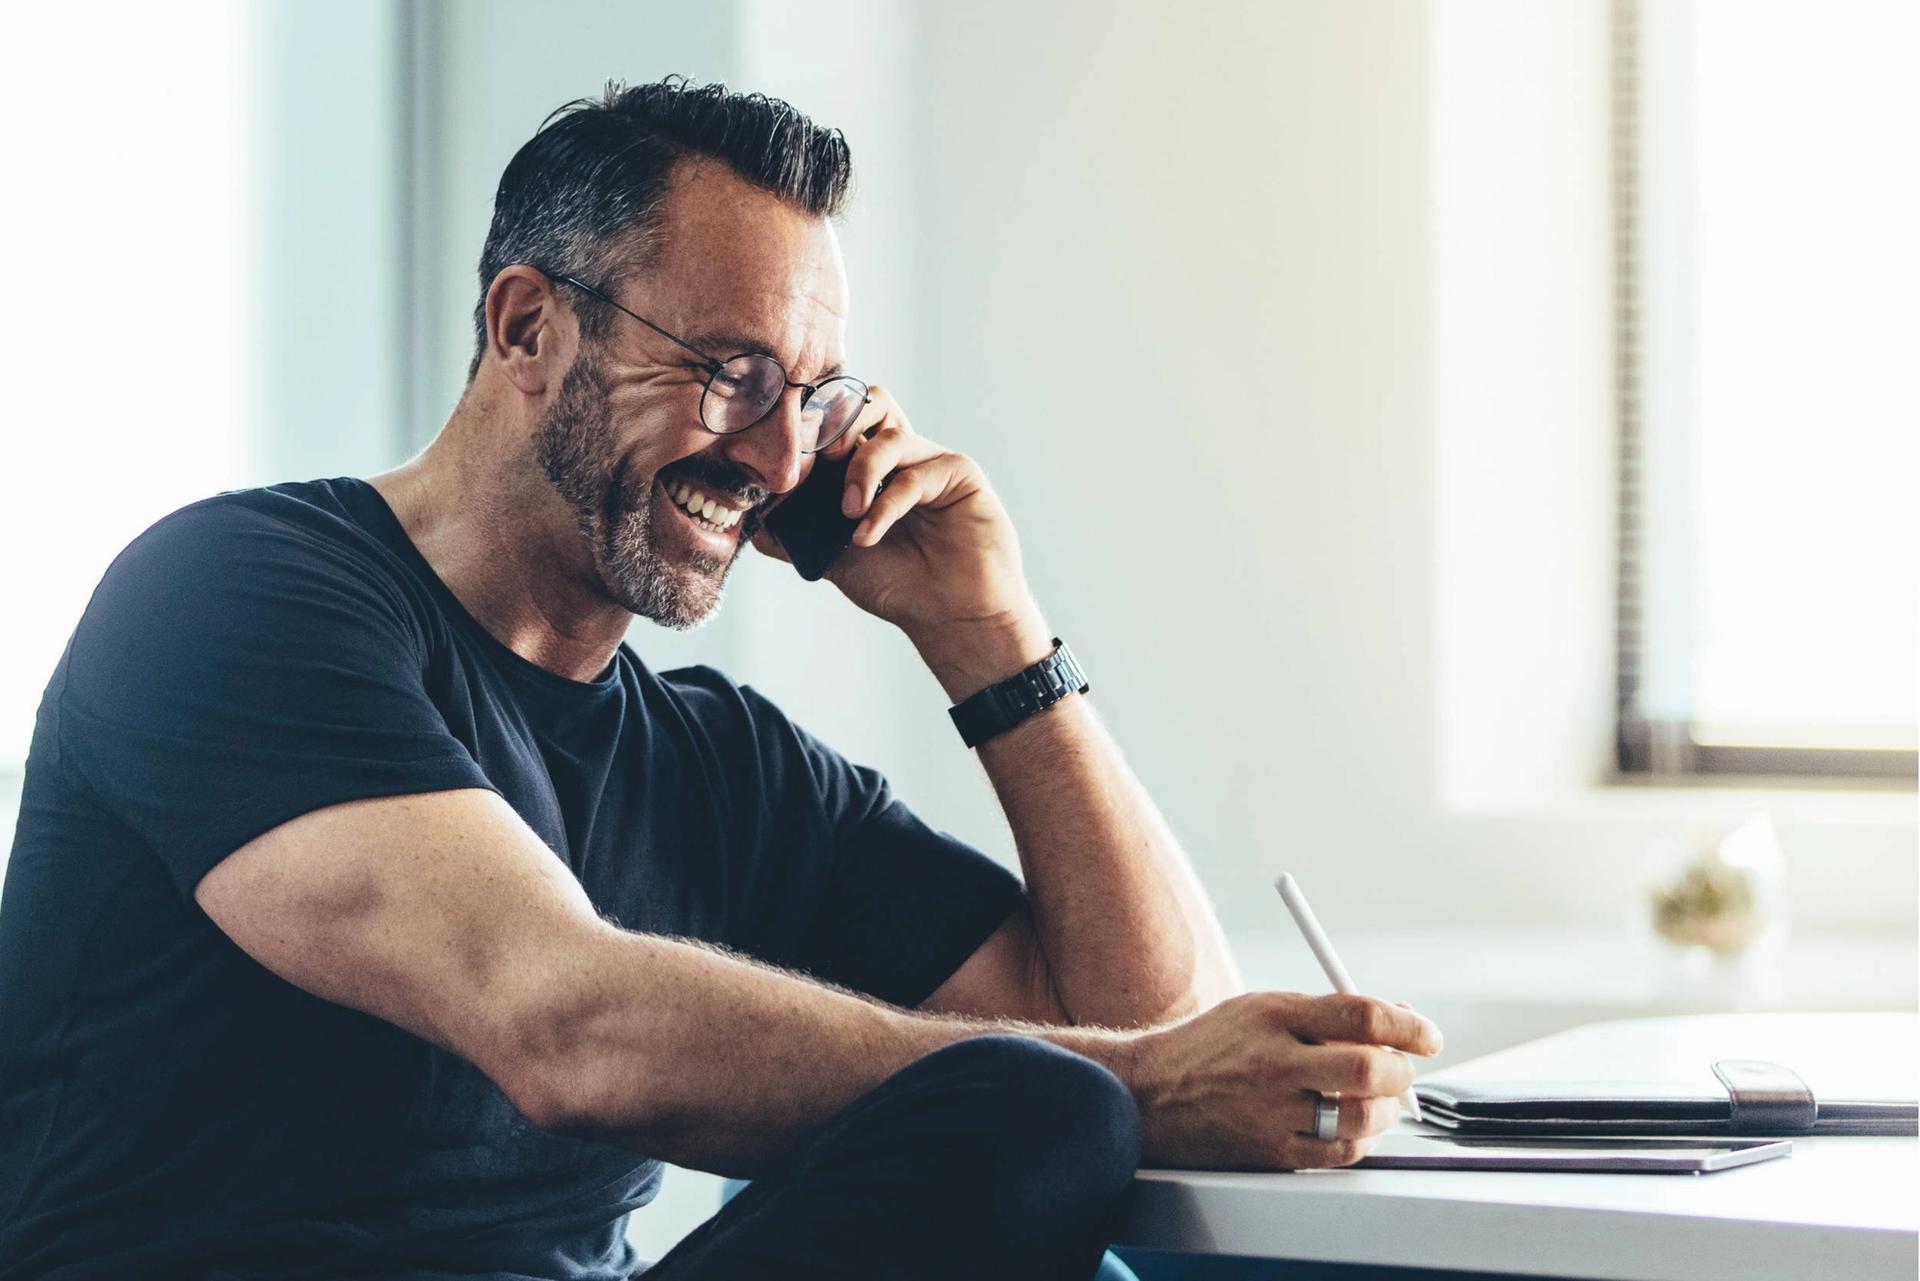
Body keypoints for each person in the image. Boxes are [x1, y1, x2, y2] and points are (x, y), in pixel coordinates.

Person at [0, 78, 1440, 1280]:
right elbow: (560, 1022)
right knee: (1051, 1103)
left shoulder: (725, 768)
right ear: (527, 327)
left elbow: (1149, 1032)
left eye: (813, 398)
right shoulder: (232, 595)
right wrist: (1134, 1084)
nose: (779, 455)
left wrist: (994, 642)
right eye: (732, 372)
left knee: (1036, 1118)